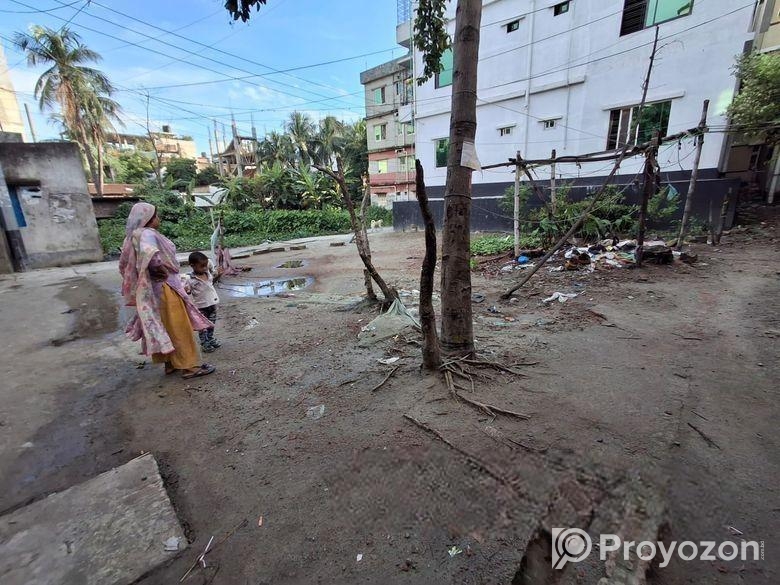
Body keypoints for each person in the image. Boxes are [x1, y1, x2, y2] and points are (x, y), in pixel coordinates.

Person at [119, 202, 216, 379]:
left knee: (163, 325)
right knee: (179, 326)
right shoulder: (147, 233)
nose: (159, 219)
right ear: (148, 218)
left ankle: (170, 364)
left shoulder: (132, 236)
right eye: (156, 216)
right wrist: (160, 270)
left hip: (152, 291)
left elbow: (123, 264)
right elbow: (152, 256)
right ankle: (190, 366)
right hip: (166, 287)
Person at [185, 251, 223, 353]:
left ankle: (210, 339)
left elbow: (210, 285)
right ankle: (204, 343)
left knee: (211, 324)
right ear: (192, 266)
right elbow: (187, 291)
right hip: (201, 307)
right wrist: (187, 291)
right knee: (203, 327)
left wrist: (218, 275)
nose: (205, 268)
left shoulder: (208, 274)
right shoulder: (190, 279)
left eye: (206, 265)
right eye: (202, 266)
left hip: (212, 304)